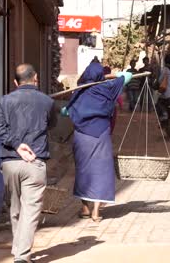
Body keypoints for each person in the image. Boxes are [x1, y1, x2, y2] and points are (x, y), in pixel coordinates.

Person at [0, 64, 56, 263]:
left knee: (15, 208)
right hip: (35, 162)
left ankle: (18, 250)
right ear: (35, 77)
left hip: (10, 162)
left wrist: (16, 144)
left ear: (15, 82)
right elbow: (52, 125)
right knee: (30, 211)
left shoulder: (5, 101)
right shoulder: (47, 101)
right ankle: (21, 255)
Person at [63, 62, 132, 222]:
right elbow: (127, 76)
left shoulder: (79, 92)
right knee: (101, 171)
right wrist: (109, 76)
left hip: (81, 136)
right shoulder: (108, 87)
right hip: (101, 134)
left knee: (83, 170)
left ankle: (85, 208)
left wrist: (65, 111)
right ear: (100, 75)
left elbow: (68, 110)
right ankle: (96, 212)